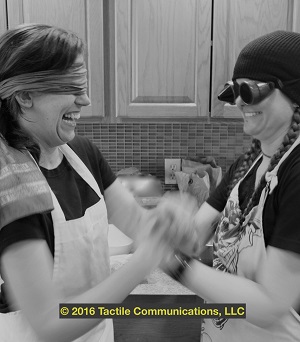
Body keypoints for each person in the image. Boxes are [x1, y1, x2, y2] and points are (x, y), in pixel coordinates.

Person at [0, 23, 173, 342]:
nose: (86, 100)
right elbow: (51, 323)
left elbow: (136, 221)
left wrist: (166, 223)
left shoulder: (81, 153)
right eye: (72, 87)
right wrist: (142, 263)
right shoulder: (11, 187)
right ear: (25, 96)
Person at [157, 30, 300, 341]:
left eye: (249, 91)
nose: (237, 102)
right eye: (232, 91)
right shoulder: (248, 163)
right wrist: (175, 220)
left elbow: (271, 304)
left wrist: (179, 267)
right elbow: (195, 236)